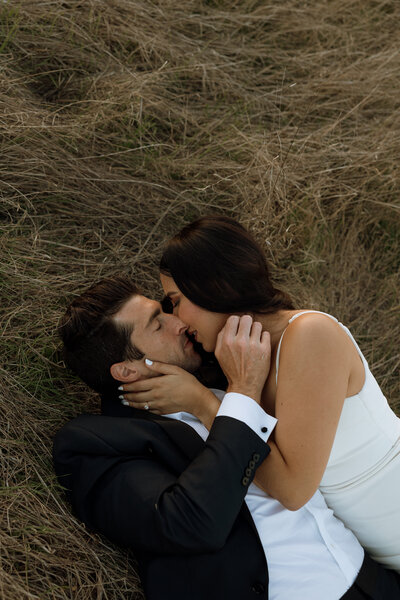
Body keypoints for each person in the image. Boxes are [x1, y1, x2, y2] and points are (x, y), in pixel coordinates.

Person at [53, 276, 400, 600]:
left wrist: (224, 394)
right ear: (127, 370)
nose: (179, 322)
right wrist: (241, 396)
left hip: (373, 581)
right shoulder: (98, 442)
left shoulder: (221, 380)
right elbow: (189, 523)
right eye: (158, 323)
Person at [120, 215, 400, 574]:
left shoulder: (310, 336)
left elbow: (293, 490)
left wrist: (205, 405)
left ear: (213, 284)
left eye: (176, 300)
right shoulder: (235, 361)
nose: (177, 317)